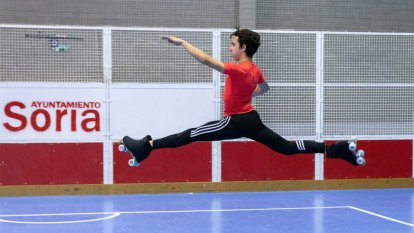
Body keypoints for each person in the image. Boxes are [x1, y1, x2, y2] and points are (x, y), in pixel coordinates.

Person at [122, 28, 363, 166]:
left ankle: (146, 147)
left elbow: (205, 59)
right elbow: (265, 88)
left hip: (236, 120)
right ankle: (334, 150)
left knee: (191, 134)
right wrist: (248, 94)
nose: (230, 48)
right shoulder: (255, 70)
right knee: (286, 148)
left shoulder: (239, 68)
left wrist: (183, 42)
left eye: (232, 44)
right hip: (251, 120)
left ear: (243, 48)